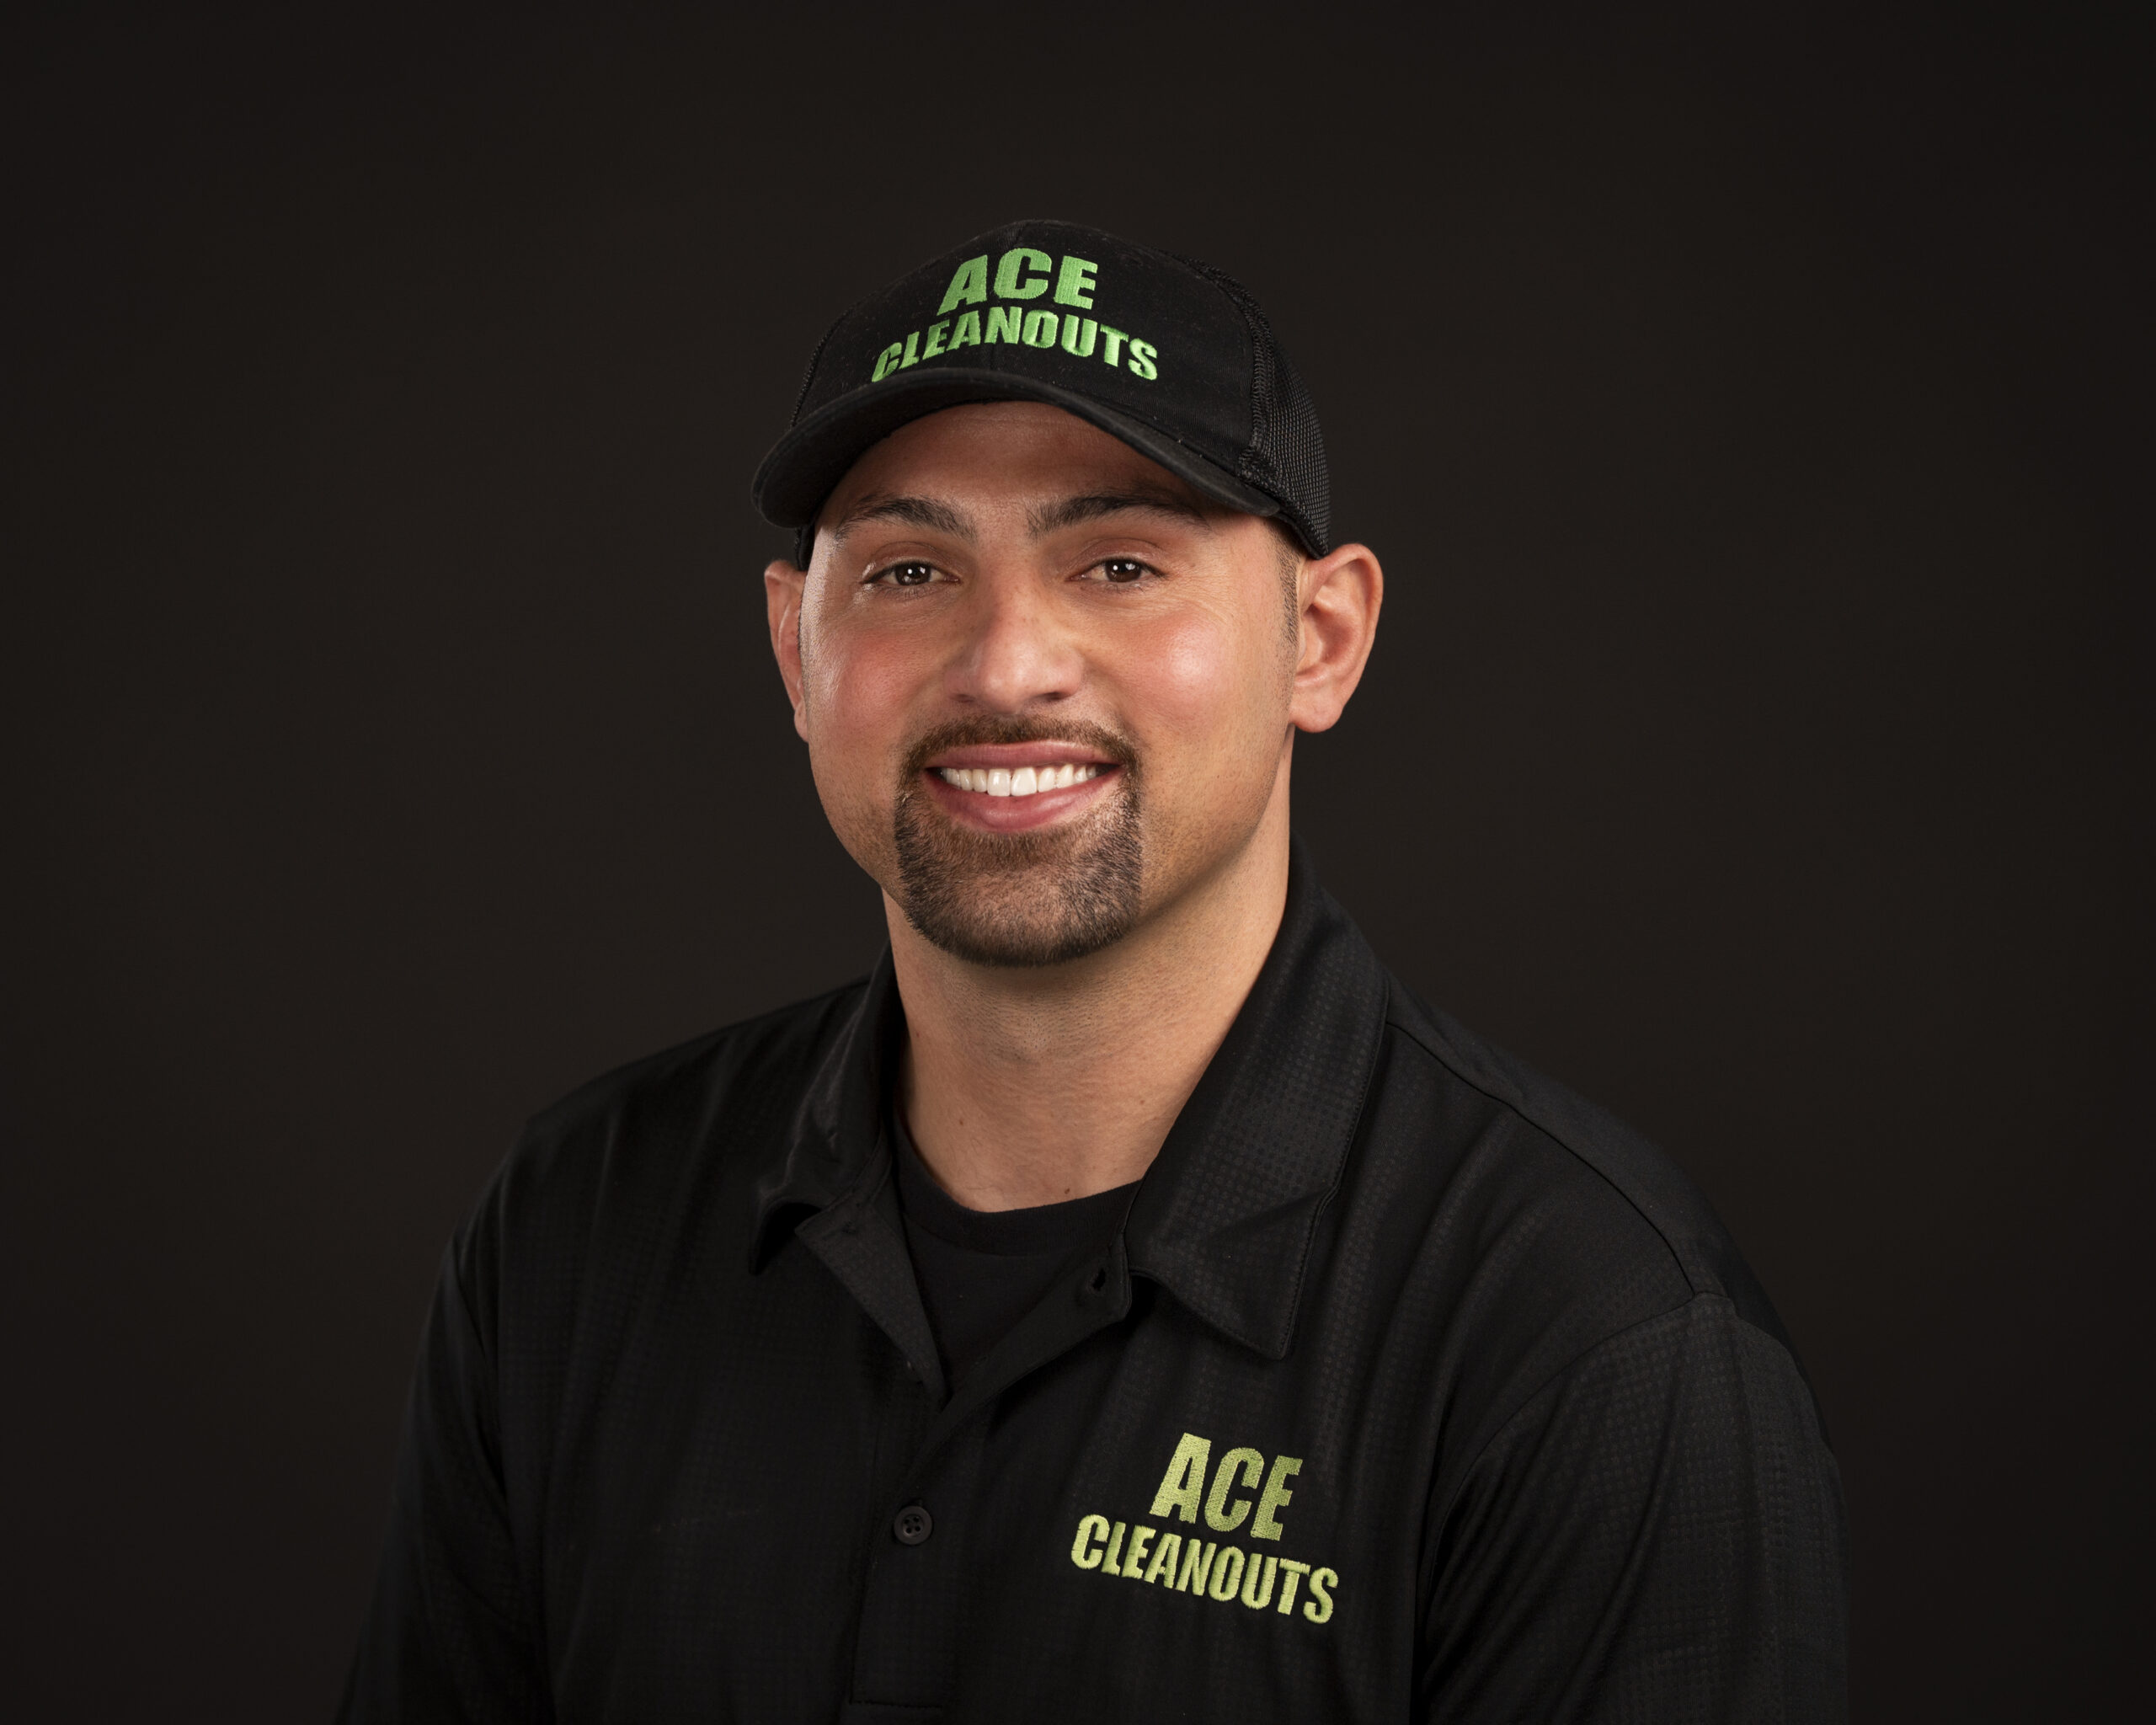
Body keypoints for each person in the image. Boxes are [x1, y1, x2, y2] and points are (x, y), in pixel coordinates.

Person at [340, 220, 1848, 1722]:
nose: (1008, 666)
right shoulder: (579, 1226)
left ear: (1321, 640)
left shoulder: (1599, 1344)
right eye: (911, 569)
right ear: (797, 652)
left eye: (1120, 564)